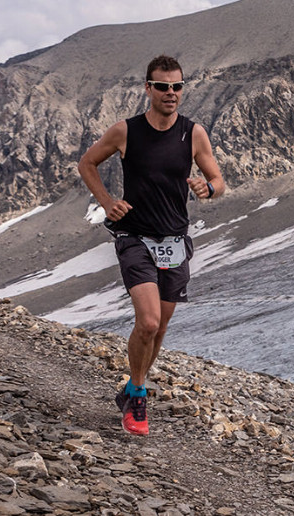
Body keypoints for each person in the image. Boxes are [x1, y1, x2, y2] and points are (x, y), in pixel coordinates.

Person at [77, 54, 226, 436]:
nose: (171, 93)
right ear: (148, 88)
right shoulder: (126, 131)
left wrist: (206, 188)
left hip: (175, 240)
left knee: (157, 332)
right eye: (163, 86)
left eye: (177, 86)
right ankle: (140, 395)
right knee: (148, 321)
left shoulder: (193, 134)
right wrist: (107, 203)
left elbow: (218, 181)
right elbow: (87, 163)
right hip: (134, 236)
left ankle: (130, 387)